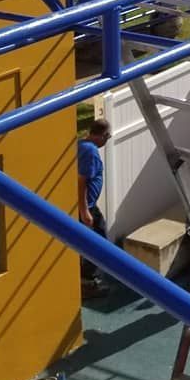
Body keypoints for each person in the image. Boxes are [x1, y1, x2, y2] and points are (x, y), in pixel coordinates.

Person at [77, 119, 111, 299]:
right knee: (97, 242)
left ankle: (87, 278)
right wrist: (85, 211)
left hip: (88, 206)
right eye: (108, 136)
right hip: (87, 207)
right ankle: (88, 282)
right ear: (103, 136)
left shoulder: (82, 144)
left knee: (94, 240)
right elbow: (81, 181)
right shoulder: (90, 151)